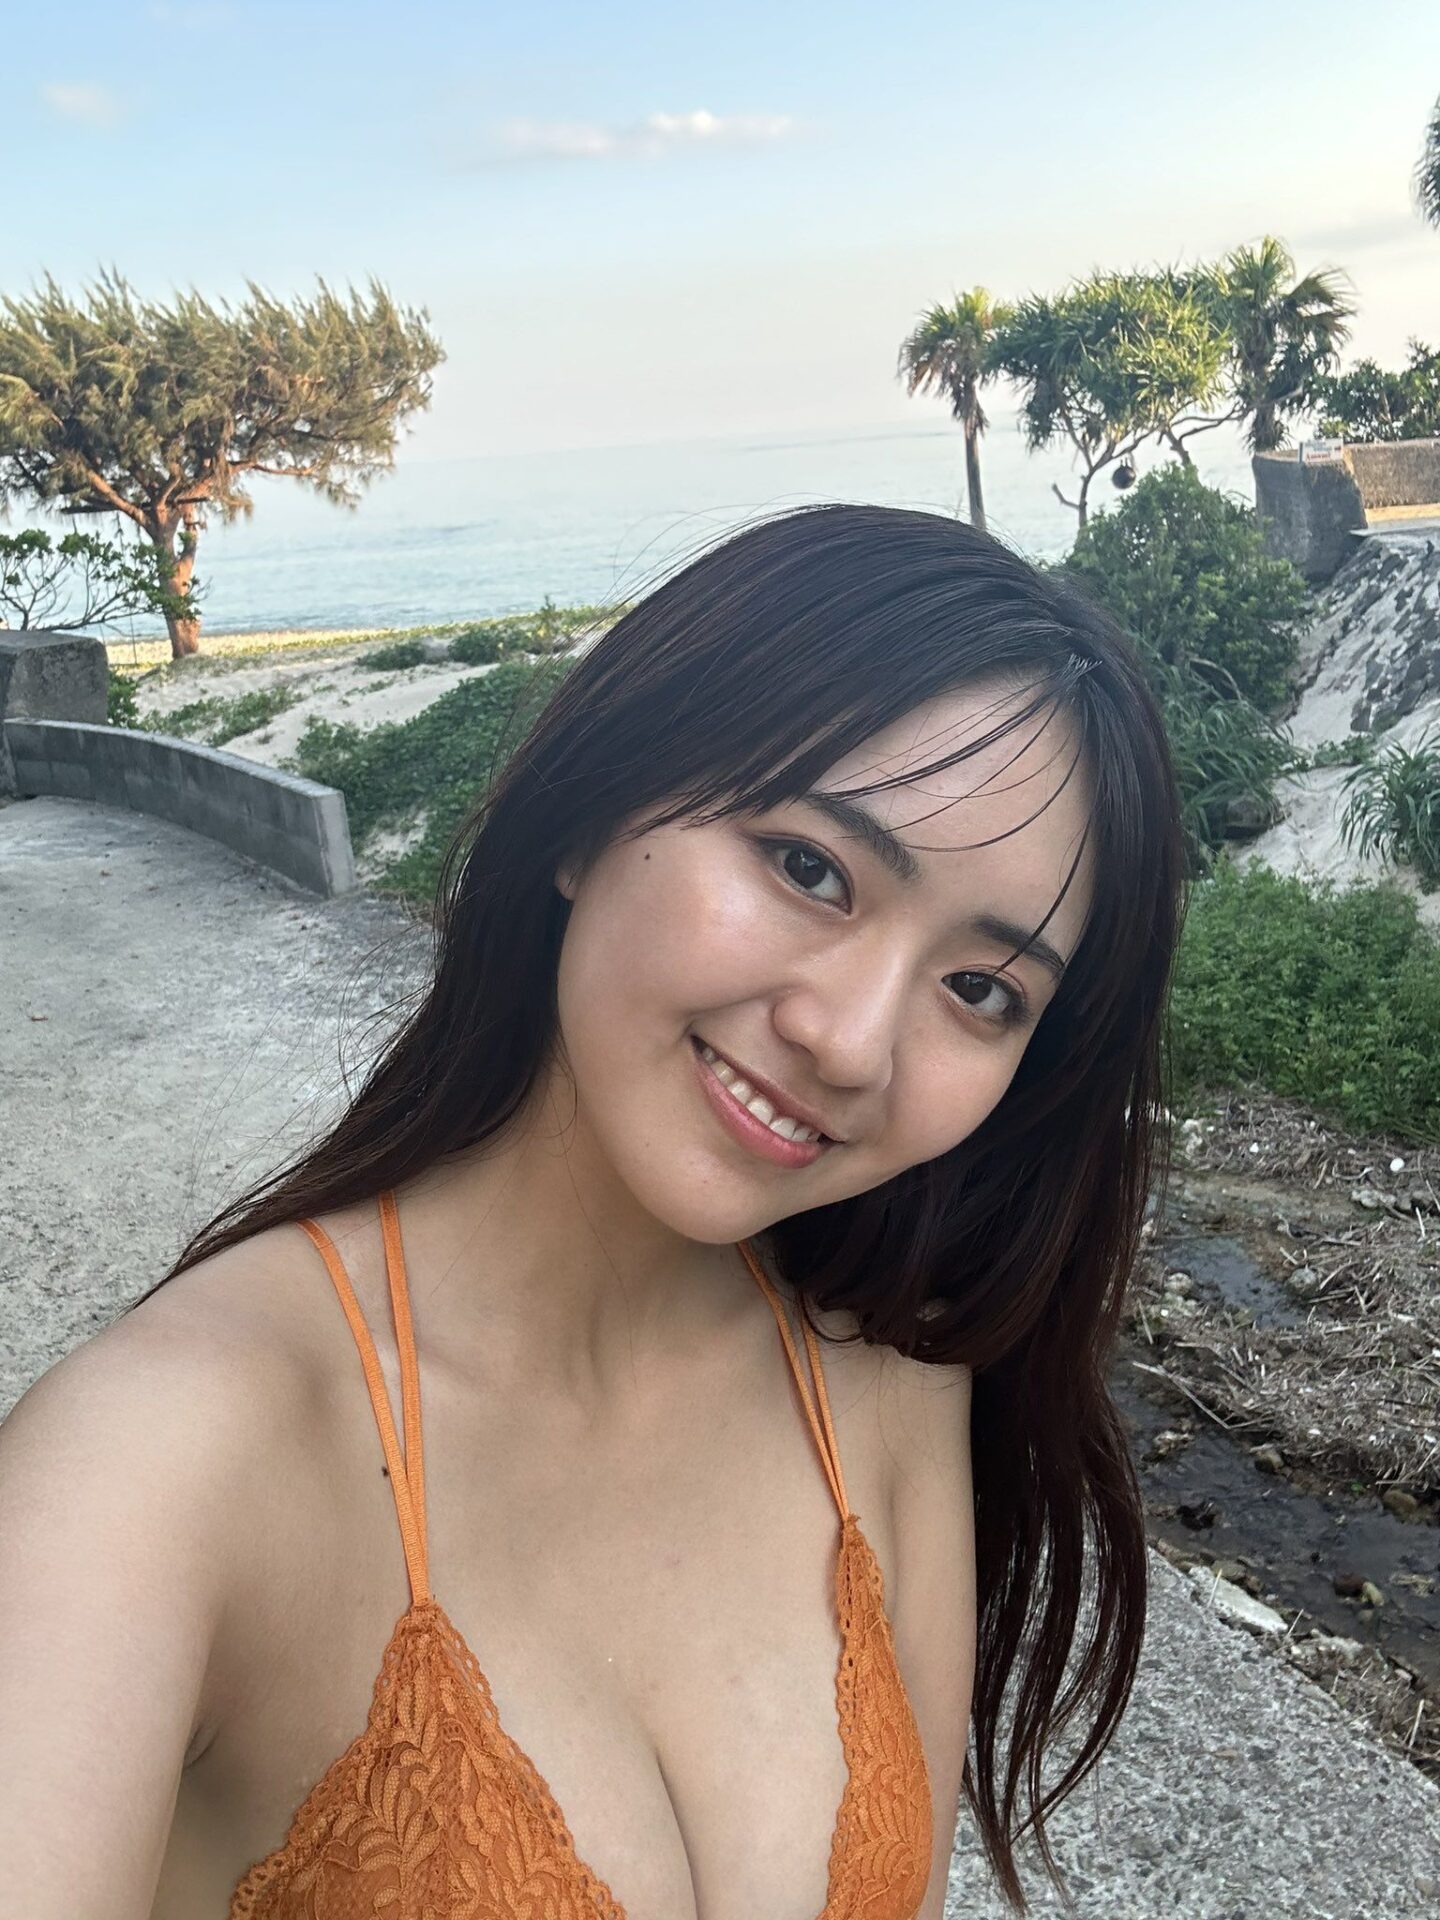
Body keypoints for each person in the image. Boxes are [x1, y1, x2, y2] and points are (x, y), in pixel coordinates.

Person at [0, 501, 1185, 1919]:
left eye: (980, 990)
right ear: (589, 812)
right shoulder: (154, 1467)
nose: (853, 1042)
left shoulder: (887, 1382)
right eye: (810, 868)